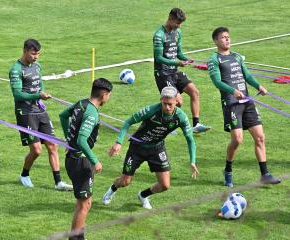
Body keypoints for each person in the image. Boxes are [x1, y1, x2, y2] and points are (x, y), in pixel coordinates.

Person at [102, 86, 199, 209]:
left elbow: (190, 139)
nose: (167, 107)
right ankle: (112, 189)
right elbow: (128, 122)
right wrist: (119, 142)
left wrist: (192, 161)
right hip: (137, 148)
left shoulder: (181, 117)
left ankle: (143, 195)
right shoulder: (151, 110)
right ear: (160, 100)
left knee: (165, 185)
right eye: (164, 104)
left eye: (170, 104)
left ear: (176, 101)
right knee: (125, 181)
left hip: (157, 148)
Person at [208, 27, 281, 187]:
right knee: (237, 140)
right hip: (231, 103)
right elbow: (216, 82)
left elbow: (246, 75)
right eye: (223, 37)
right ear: (216, 41)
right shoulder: (214, 59)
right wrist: (232, 91)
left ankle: (265, 174)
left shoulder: (237, 57)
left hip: (247, 102)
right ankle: (228, 170)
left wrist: (258, 86)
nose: (227, 39)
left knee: (260, 137)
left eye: (228, 37)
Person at [9, 38, 72, 191]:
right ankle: (24, 174)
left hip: (39, 110)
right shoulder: (16, 70)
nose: (36, 57)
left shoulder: (37, 66)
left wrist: (41, 93)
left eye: (38, 54)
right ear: (24, 51)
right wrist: (37, 96)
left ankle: (58, 182)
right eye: (33, 54)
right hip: (25, 112)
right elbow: (17, 94)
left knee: (52, 145)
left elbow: (39, 84)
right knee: (37, 149)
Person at [60, 78, 113, 240]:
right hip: (81, 161)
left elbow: (63, 116)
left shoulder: (81, 103)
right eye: (109, 95)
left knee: (85, 203)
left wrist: (68, 138)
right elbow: (82, 140)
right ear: (104, 94)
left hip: (73, 159)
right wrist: (95, 160)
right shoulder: (91, 112)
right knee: (84, 205)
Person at [153, 7, 210, 133]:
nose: (179, 26)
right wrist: (177, 62)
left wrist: (187, 60)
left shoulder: (178, 33)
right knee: (177, 101)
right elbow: (158, 58)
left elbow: (178, 52)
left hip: (174, 71)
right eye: (177, 23)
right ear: (170, 19)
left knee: (194, 92)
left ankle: (196, 124)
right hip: (163, 73)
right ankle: (164, 124)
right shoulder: (159, 35)